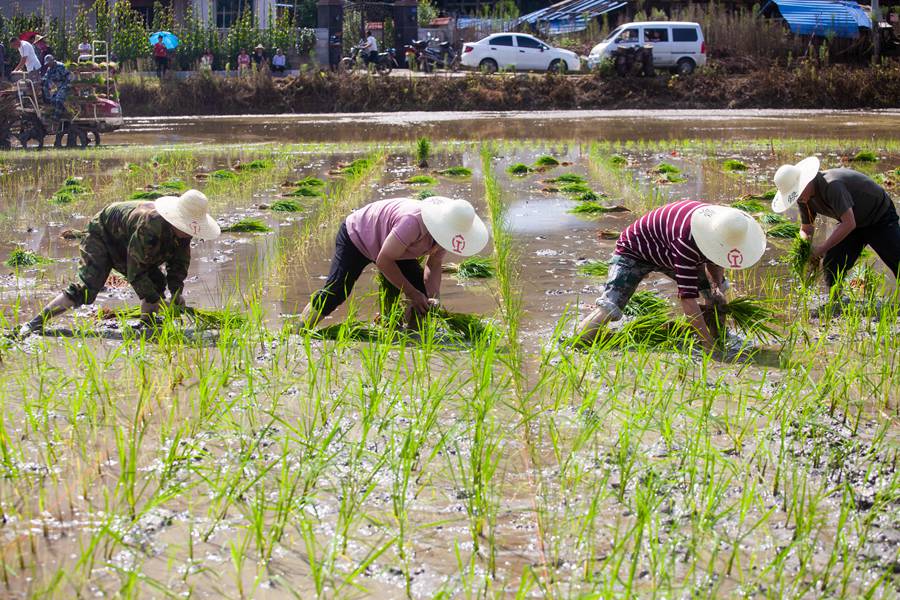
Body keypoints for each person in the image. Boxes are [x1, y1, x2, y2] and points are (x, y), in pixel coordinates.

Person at [18, 190, 221, 337]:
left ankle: (147, 325)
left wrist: (177, 293)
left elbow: (179, 264)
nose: (190, 233)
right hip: (103, 233)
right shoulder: (151, 226)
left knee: (156, 282)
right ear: (179, 219)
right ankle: (34, 323)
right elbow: (136, 271)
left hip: (127, 238)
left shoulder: (183, 233)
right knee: (87, 288)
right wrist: (158, 301)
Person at [577, 201, 766, 352]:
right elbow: (688, 300)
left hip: (667, 247)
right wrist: (708, 348)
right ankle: (575, 342)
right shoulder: (687, 242)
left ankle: (719, 335)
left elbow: (716, 259)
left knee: (715, 295)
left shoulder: (723, 225)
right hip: (635, 251)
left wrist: (717, 288)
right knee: (611, 307)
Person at [299, 196, 489, 329]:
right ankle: (299, 332)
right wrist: (411, 293)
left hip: (395, 249)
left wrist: (433, 296)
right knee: (337, 291)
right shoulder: (413, 222)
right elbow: (384, 260)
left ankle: (412, 339)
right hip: (358, 235)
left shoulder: (447, 234)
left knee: (422, 298)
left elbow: (434, 264)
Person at [772, 156, 900, 296]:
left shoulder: (832, 185)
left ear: (805, 182)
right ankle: (836, 303)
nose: (798, 198)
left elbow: (848, 223)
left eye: (797, 192)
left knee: (897, 262)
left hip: (879, 217)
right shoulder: (804, 199)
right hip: (853, 223)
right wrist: (806, 247)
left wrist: (821, 249)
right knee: (832, 263)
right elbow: (806, 228)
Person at [41, 55, 72, 122]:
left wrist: (67, 85)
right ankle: (62, 112)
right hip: (57, 86)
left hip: (65, 84)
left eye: (49, 63)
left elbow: (69, 76)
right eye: (47, 64)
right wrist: (42, 81)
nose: (48, 65)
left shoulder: (61, 66)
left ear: (53, 61)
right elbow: (46, 77)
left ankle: (57, 116)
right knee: (52, 99)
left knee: (59, 98)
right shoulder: (49, 69)